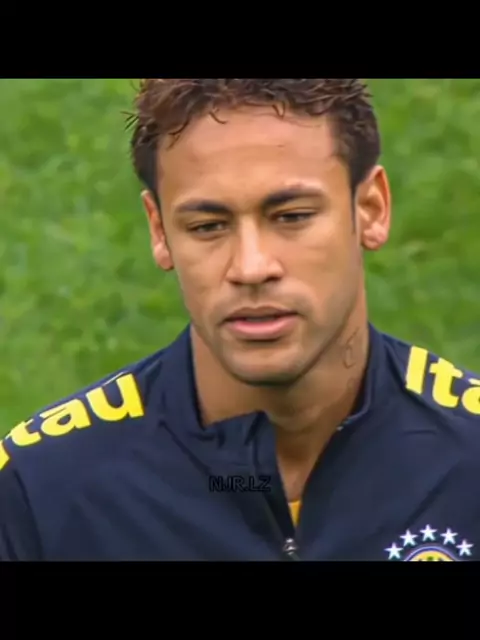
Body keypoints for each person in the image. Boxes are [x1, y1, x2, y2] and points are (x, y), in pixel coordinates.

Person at [1, 79, 478, 561]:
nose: (251, 267)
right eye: (208, 226)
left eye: (292, 216)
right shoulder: (40, 491)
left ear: (371, 209)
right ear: (160, 231)